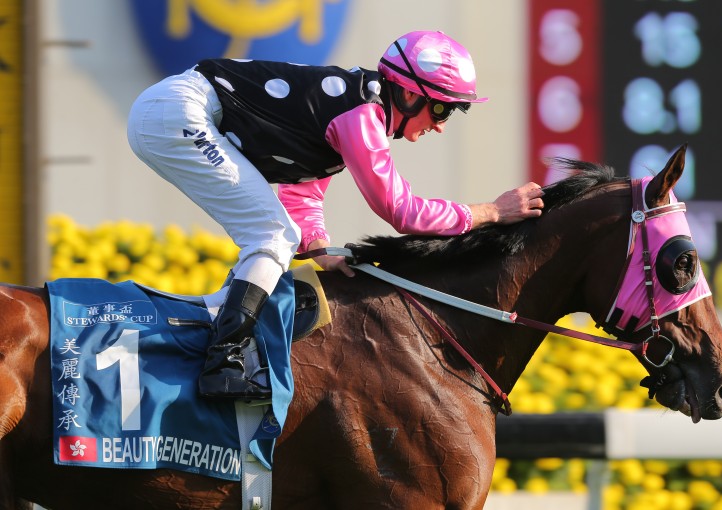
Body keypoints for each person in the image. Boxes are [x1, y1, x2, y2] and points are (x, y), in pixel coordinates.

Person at [127, 30, 545, 400]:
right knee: (272, 237)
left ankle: (214, 339)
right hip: (179, 111)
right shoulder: (363, 115)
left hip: (174, 111)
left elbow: (301, 190)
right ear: (410, 93)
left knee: (279, 235)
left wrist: (319, 248)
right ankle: (222, 360)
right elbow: (400, 211)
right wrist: (491, 211)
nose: (440, 125)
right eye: (442, 110)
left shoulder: (357, 109)